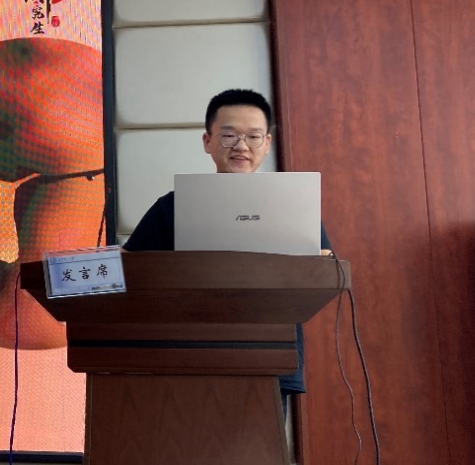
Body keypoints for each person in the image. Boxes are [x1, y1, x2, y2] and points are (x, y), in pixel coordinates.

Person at [123, 88, 330, 399]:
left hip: (270, 357)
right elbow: (128, 266)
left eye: (253, 137)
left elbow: (324, 269)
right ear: (207, 141)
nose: (241, 146)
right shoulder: (174, 206)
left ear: (267, 143)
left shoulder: (293, 205)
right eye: (229, 136)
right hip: (187, 357)